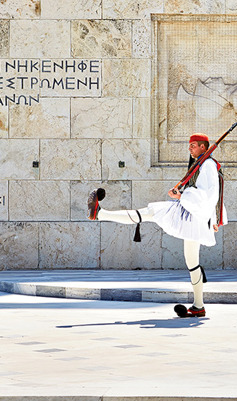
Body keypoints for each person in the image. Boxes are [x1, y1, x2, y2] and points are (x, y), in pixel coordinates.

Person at [87, 133, 227, 318]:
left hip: (193, 215)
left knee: (151, 212)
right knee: (192, 263)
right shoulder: (202, 164)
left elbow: (210, 195)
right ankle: (198, 306)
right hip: (194, 215)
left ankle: (100, 213)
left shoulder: (208, 165)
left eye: (193, 145)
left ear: (203, 146)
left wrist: (182, 196)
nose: (189, 148)